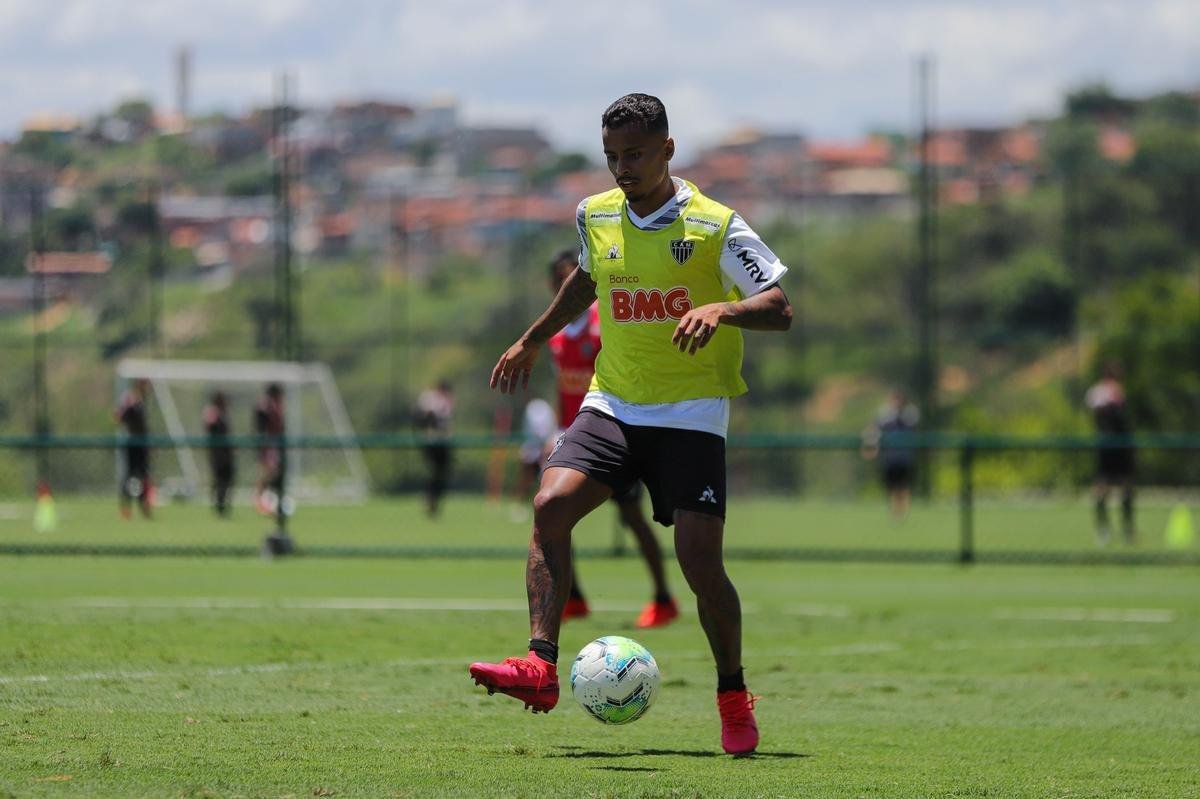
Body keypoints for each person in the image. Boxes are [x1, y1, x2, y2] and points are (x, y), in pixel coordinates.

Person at [470, 93, 791, 756]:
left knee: (700, 563)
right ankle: (539, 665)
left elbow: (779, 306)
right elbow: (588, 281)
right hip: (614, 402)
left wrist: (723, 310)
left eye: (636, 154)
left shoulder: (715, 225)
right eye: (612, 156)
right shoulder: (595, 215)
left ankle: (733, 694)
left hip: (692, 414)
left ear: (668, 149)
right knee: (550, 505)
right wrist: (532, 338)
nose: (623, 168)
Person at [544, 248, 680, 629]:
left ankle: (663, 597)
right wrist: (556, 431)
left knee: (632, 517)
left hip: (610, 432)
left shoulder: (600, 321)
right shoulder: (555, 333)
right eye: (560, 278)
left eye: (572, 275)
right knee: (554, 513)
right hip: (573, 436)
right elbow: (562, 389)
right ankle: (573, 597)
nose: (567, 283)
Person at [1086, 363, 1136, 545]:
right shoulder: (1098, 392)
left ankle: (1127, 529)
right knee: (1102, 487)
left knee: (1126, 486)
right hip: (1107, 446)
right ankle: (1103, 529)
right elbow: (1097, 415)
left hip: (1121, 445)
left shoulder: (1119, 392)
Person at [861, 390, 920, 519]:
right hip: (890, 458)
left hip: (905, 458)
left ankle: (903, 512)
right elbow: (873, 430)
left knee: (904, 486)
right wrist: (870, 447)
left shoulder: (910, 415)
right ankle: (895, 513)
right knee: (892, 486)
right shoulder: (885, 416)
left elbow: (915, 431)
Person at [114, 378, 154, 519]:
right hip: (133, 444)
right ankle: (126, 506)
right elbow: (118, 417)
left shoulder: (143, 401)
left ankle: (144, 506)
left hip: (143, 444)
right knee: (131, 476)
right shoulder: (130, 399)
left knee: (143, 475)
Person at [512, 397, 557, 520]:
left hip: (545, 447)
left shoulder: (544, 409)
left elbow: (550, 429)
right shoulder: (532, 408)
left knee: (544, 480)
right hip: (532, 448)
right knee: (525, 479)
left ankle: (540, 507)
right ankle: (519, 505)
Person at [415, 381, 454, 518]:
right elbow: (422, 418)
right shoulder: (429, 399)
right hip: (431, 442)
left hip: (443, 443)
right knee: (434, 472)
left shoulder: (446, 401)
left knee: (441, 474)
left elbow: (446, 425)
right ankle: (429, 497)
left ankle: (433, 500)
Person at [253, 383, 286, 518]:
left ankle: (267, 501)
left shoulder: (276, 406)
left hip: (274, 444)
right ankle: (260, 502)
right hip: (268, 445)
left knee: (272, 473)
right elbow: (261, 426)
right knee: (266, 473)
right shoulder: (266, 406)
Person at [202, 390, 235, 517]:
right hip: (217, 452)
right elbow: (209, 426)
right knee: (219, 480)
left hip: (226, 452)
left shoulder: (225, 414)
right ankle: (218, 505)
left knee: (228, 479)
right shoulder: (212, 412)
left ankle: (224, 505)